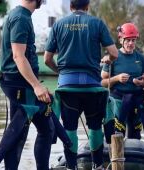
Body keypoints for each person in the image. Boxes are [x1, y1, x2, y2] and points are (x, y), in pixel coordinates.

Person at [44, 0, 118, 169]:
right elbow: (114, 53)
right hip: (92, 87)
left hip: (67, 88)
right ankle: (98, 166)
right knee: (94, 128)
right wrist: (108, 59)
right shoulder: (97, 23)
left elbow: (47, 59)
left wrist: (60, 72)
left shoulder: (59, 25)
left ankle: (71, 167)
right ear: (87, 6)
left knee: (69, 128)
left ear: (71, 7)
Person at [0, 0, 55, 169]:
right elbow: (18, 56)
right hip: (21, 84)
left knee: (36, 130)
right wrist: (36, 86)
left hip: (20, 82)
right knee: (43, 130)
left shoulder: (21, 15)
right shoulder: (20, 18)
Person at [101, 23, 144, 139]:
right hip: (118, 100)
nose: (131, 43)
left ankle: (134, 155)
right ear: (120, 39)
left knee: (135, 136)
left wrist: (141, 83)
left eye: (133, 40)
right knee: (118, 134)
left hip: (136, 100)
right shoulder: (113, 56)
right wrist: (117, 78)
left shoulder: (140, 58)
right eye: (128, 40)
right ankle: (116, 154)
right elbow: (103, 82)